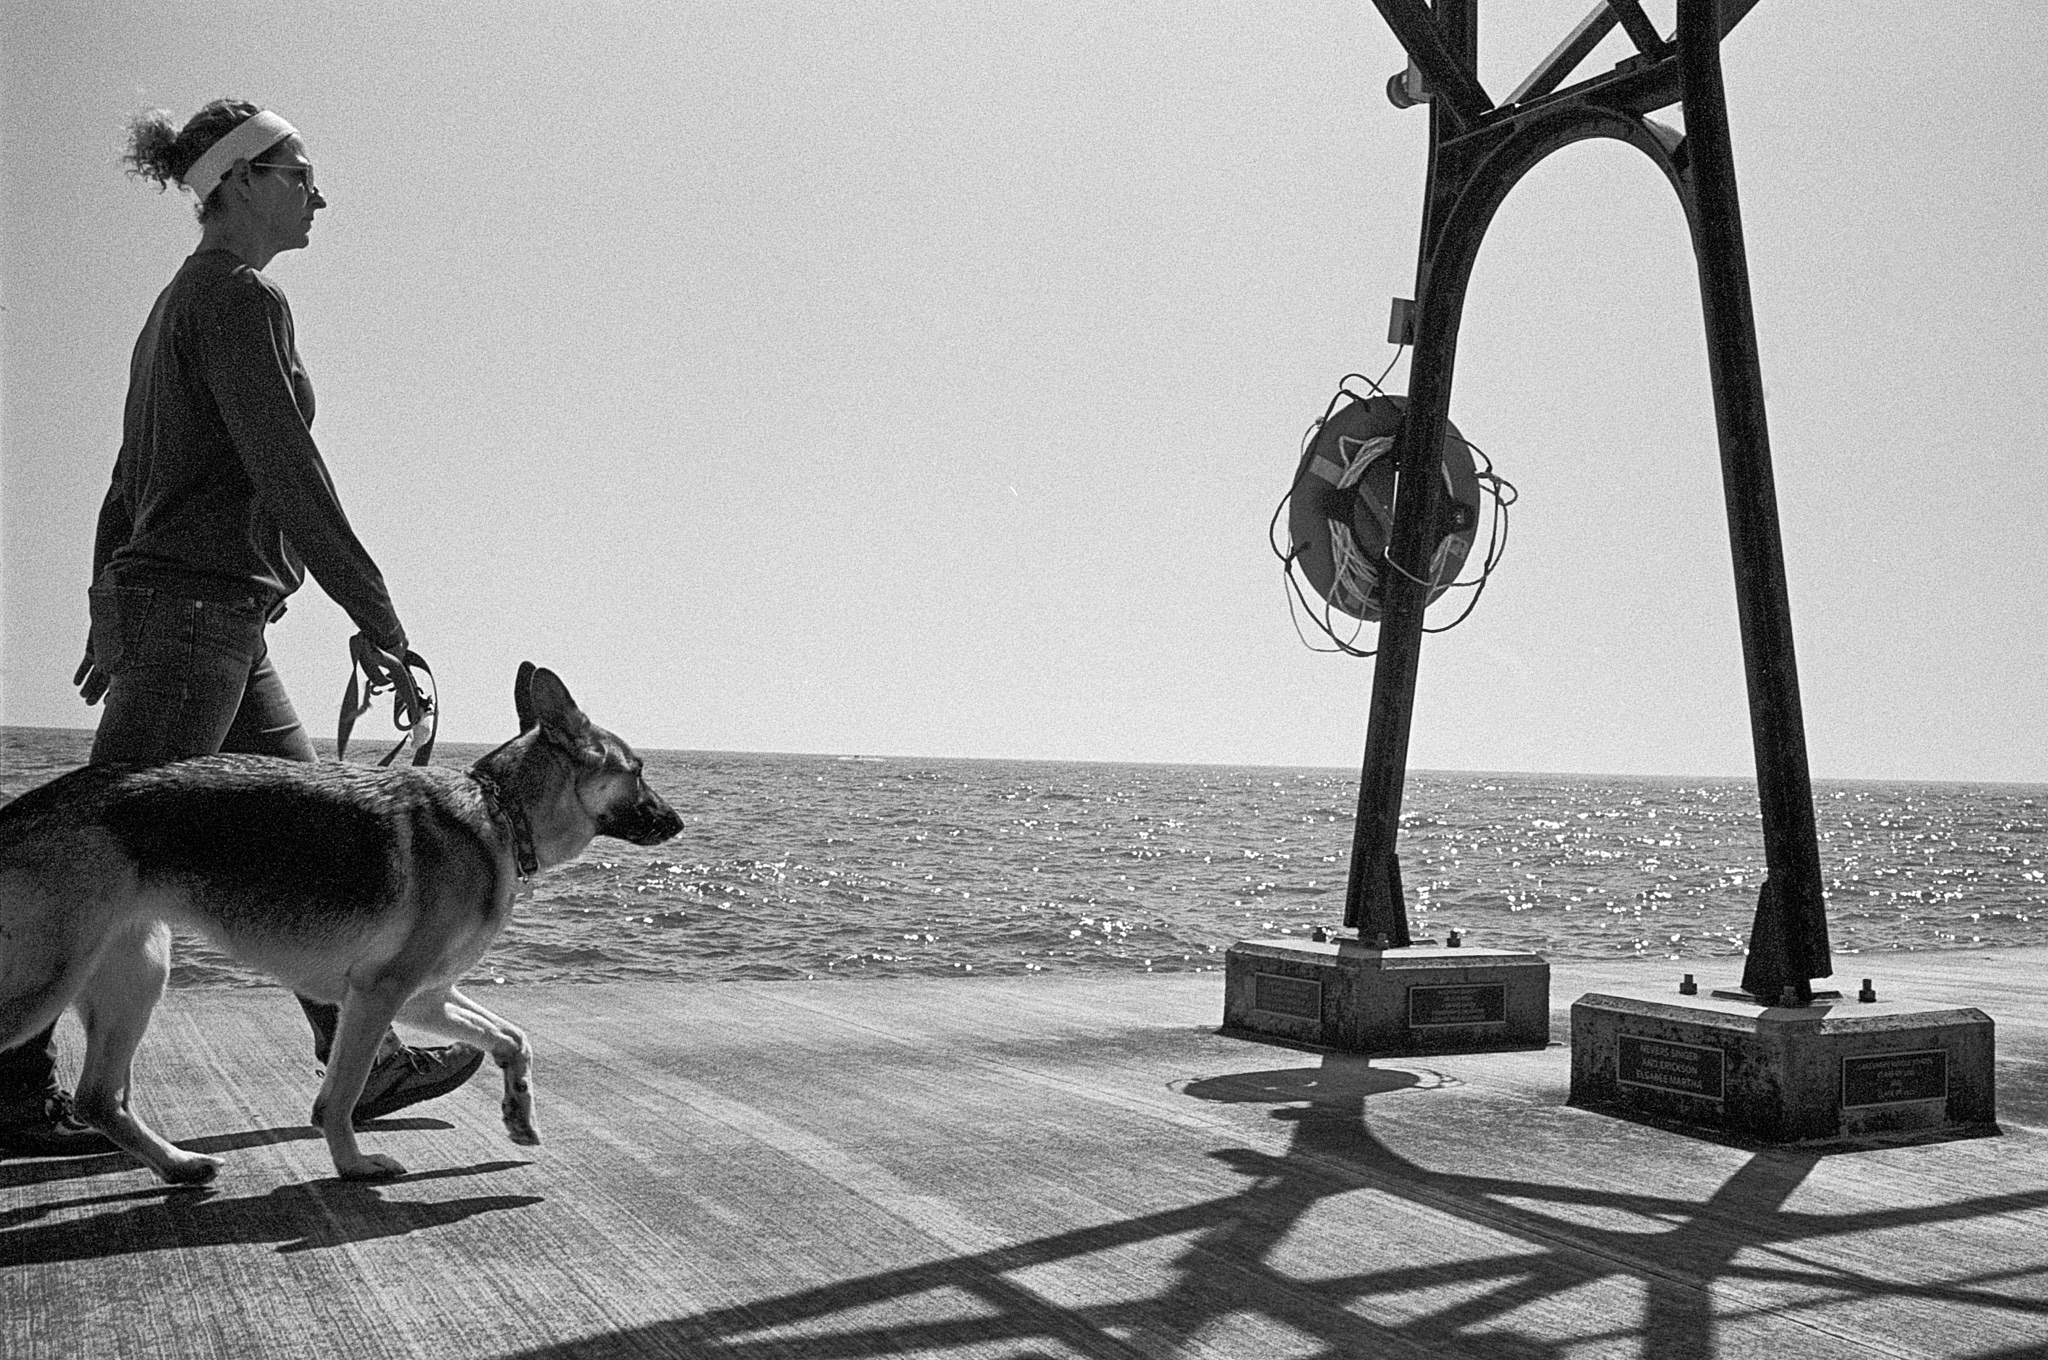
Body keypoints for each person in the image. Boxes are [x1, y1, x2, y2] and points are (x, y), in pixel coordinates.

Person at [0, 99, 483, 1156]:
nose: (320, 191)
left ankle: (371, 1054)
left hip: (219, 623)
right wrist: (375, 608)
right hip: (195, 621)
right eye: (302, 170)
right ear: (245, 178)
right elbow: (284, 466)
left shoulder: (181, 303)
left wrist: (103, 597)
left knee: (310, 839)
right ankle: (11, 1086)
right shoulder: (237, 299)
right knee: (98, 863)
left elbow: (125, 483)